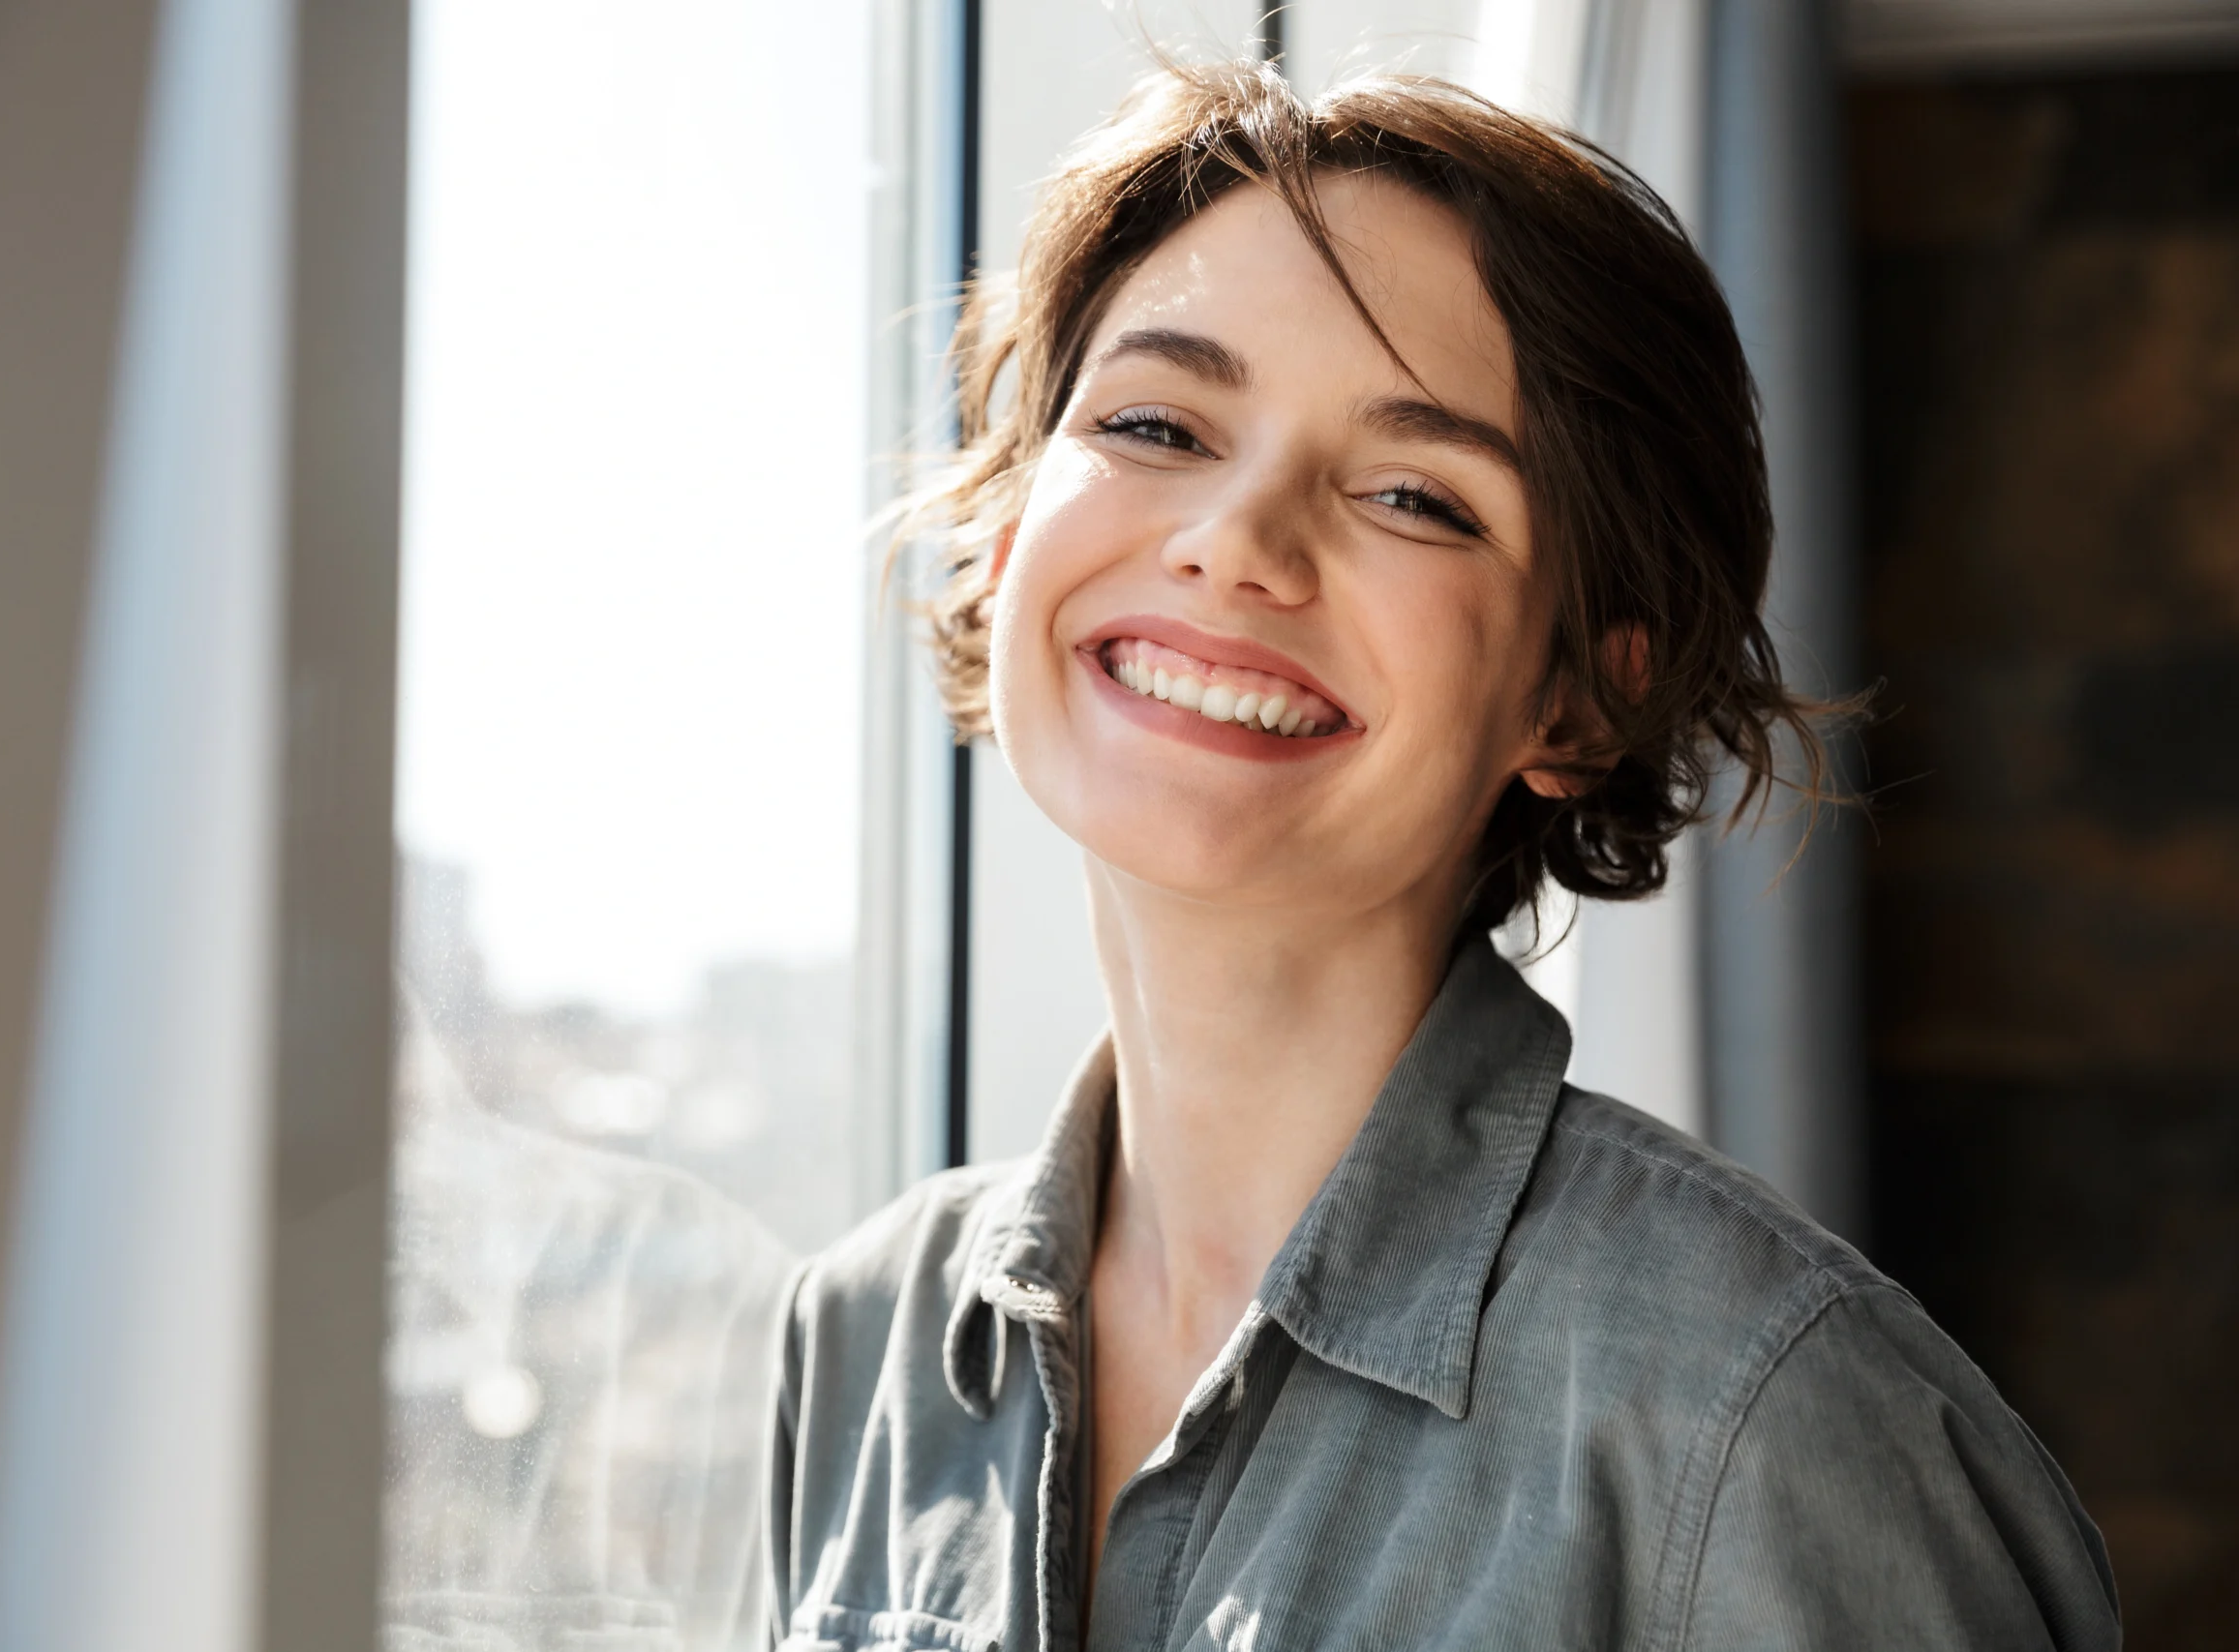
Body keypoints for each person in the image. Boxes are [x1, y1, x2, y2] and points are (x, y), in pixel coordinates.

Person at [765, 61, 2119, 1651]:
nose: (1237, 542)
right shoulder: (863, 1337)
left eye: (1415, 494)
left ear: (1578, 693)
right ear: (1006, 550)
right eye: (1153, 421)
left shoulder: (1774, 1423)